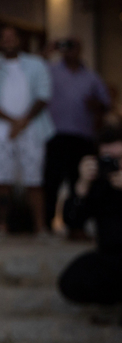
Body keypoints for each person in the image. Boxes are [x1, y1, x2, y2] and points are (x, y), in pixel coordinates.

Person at [0, 26, 54, 236]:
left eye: (12, 37)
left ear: (20, 40)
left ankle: (41, 228)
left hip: (33, 130)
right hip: (1, 131)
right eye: (4, 37)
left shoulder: (36, 64)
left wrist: (22, 123)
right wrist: (13, 122)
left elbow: (44, 95)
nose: (8, 40)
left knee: (35, 180)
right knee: (2, 181)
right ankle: (2, 227)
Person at [44, 38, 111, 233]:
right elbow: (33, 74)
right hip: (55, 135)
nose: (69, 51)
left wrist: (95, 106)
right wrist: (48, 50)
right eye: (66, 47)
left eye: (73, 47)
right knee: (52, 181)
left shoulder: (91, 77)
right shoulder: (51, 70)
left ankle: (76, 226)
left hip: (82, 137)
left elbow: (105, 102)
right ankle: (48, 225)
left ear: (80, 50)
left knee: (79, 180)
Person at [58, 127, 122, 305]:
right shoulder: (99, 184)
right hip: (111, 257)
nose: (113, 164)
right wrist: (82, 186)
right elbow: (72, 221)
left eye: (119, 159)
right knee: (74, 279)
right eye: (107, 158)